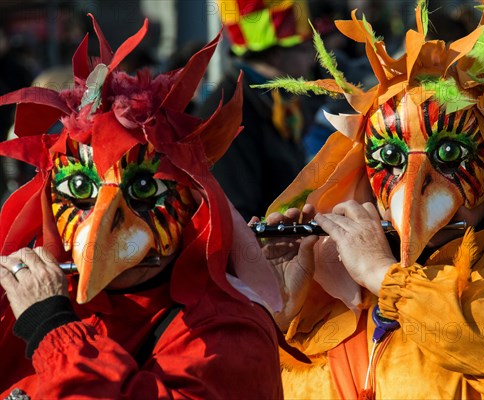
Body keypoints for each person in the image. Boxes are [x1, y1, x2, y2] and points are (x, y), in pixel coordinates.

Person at [252, 3, 484, 398]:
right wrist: (277, 315)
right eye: (391, 157)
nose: (416, 183)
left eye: (450, 154)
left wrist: (389, 280)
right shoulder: (337, 283)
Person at [0, 16, 283, 399]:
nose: (101, 221)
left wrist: (51, 329)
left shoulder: (227, 334)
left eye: (144, 188)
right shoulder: (27, 298)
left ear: (189, 201)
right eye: (80, 187)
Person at [196, 0, 316, 221]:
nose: (312, 60)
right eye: (305, 49)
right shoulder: (228, 109)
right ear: (275, 55)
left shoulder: (273, 100)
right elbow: (234, 209)